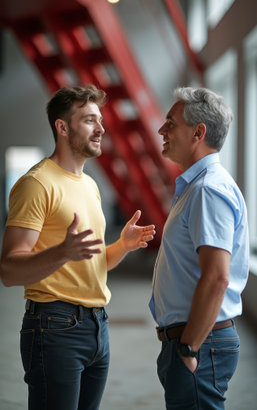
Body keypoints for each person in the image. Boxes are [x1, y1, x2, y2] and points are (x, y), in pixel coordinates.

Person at [0, 84, 155, 410]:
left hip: (97, 327)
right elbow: (9, 270)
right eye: (88, 120)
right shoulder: (36, 184)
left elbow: (94, 263)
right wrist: (62, 252)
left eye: (99, 120)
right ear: (62, 126)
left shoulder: (90, 185)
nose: (100, 128)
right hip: (54, 329)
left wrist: (122, 247)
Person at [149, 87, 249, 410]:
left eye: (170, 123)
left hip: (200, 344)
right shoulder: (196, 187)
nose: (162, 130)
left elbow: (217, 277)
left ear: (198, 132)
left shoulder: (208, 190)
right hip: (194, 341)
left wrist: (189, 348)